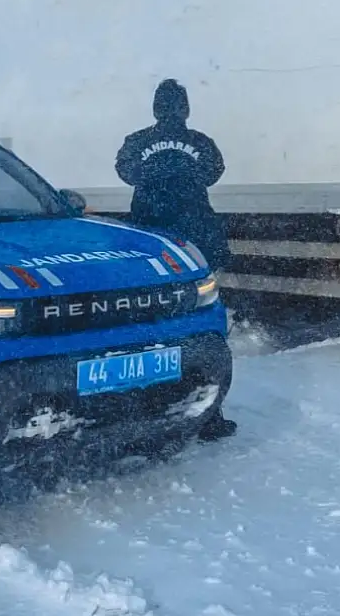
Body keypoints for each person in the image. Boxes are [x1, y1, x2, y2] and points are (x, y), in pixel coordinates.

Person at [117, 79, 237, 442]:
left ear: (155, 108)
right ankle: (208, 415)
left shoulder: (137, 142)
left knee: (151, 325)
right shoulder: (201, 142)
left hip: (153, 240)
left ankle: (144, 407)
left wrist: (157, 180)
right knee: (202, 324)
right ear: (185, 109)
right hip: (195, 240)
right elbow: (214, 172)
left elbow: (125, 172)